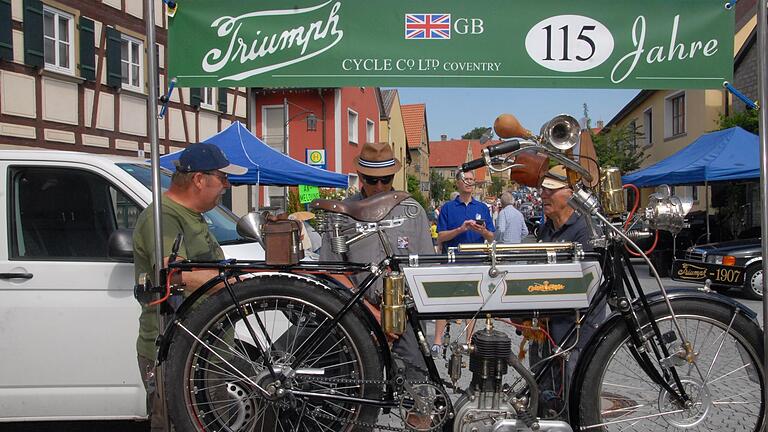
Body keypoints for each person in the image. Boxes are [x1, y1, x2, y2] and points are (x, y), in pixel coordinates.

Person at [132, 142, 247, 431]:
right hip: (175, 349)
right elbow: (173, 273)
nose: (227, 185)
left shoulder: (192, 216)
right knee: (177, 423)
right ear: (199, 179)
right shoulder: (163, 217)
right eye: (222, 178)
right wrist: (238, 286)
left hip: (205, 347)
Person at [319, 141, 434, 428]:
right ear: (361, 178)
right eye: (373, 180)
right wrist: (369, 312)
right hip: (358, 315)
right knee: (356, 397)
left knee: (420, 393)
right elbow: (331, 271)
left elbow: (426, 268)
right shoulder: (343, 212)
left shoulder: (411, 210)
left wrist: (405, 316)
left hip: (405, 317)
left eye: (386, 179)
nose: (380, 186)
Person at [532, 165, 598, 417]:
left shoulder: (585, 230)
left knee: (574, 397)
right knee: (545, 394)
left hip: (576, 329)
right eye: (542, 190)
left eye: (550, 190)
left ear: (570, 193)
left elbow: (588, 283)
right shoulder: (547, 229)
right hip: (548, 330)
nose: (543, 195)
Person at [431, 171, 495, 354]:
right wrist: (460, 229)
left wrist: (483, 232)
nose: (469, 183)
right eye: (465, 180)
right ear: (458, 183)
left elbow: (491, 237)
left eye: (472, 180)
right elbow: (441, 236)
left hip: (474, 261)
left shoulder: (482, 208)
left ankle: (469, 340)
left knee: (472, 302)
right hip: (452, 261)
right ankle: (437, 339)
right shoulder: (448, 208)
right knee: (445, 300)